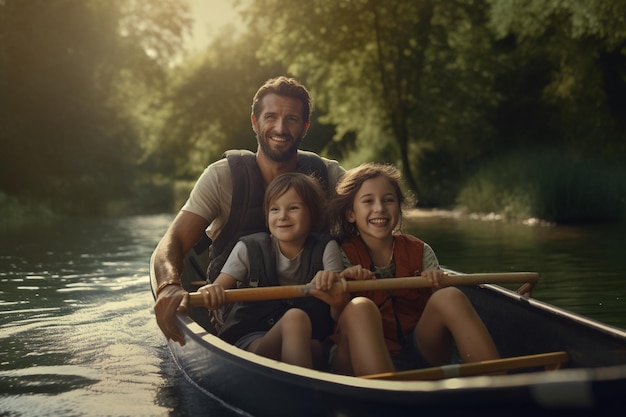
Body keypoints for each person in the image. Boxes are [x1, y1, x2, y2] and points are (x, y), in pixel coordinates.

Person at [152, 76, 344, 346]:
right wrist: (168, 285)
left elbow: (376, 210)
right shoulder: (221, 178)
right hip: (239, 320)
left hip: (316, 317)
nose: (280, 127)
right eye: (271, 116)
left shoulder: (329, 175)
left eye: (291, 119)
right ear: (254, 122)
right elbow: (173, 242)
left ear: (304, 126)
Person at [196, 172, 390, 373]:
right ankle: (301, 397)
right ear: (267, 216)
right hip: (253, 343)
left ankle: (310, 388)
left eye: (293, 208)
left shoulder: (326, 247)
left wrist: (334, 287)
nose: (282, 216)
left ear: (313, 215)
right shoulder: (249, 248)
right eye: (274, 209)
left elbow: (337, 311)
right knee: (295, 318)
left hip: (309, 341)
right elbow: (217, 289)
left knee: (315, 342)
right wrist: (211, 292)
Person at [331, 162, 500, 370]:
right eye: (368, 201)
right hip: (356, 353)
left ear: (398, 206)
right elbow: (336, 318)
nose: (380, 208)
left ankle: (496, 380)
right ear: (350, 213)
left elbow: (439, 300)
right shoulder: (339, 254)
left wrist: (437, 287)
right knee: (360, 308)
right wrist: (343, 291)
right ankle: (386, 396)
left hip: (418, 348)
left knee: (449, 296)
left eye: (388, 200)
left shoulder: (420, 251)